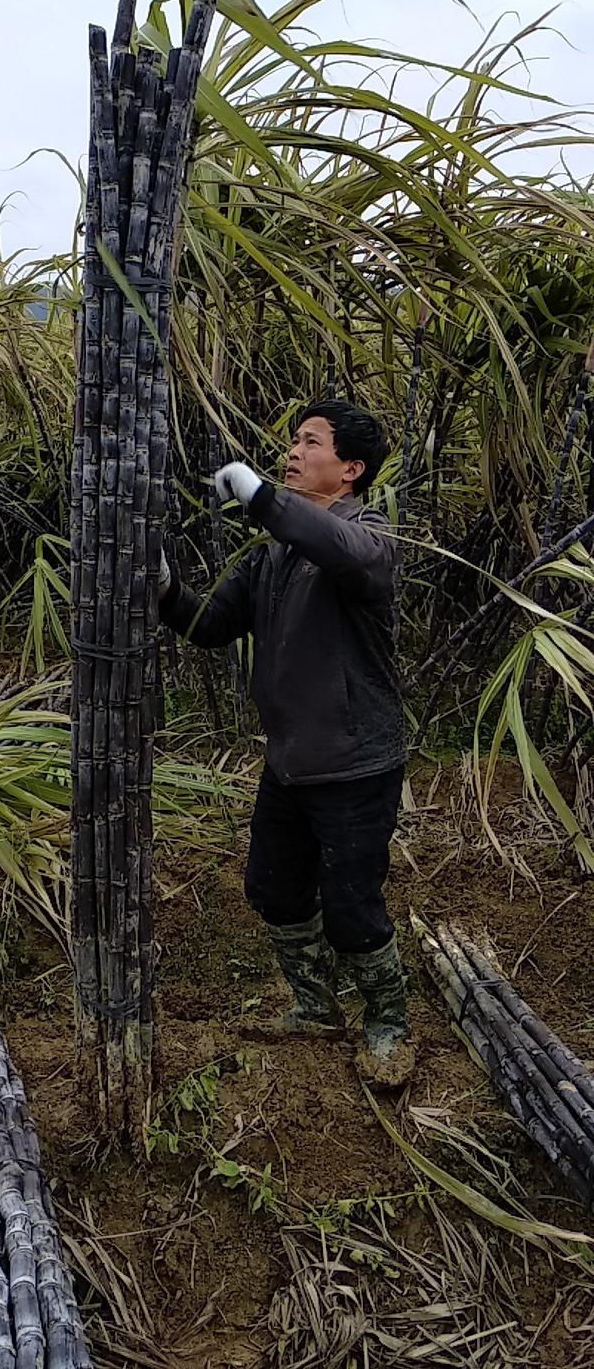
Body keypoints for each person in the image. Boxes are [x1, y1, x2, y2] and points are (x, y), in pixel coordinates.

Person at [158, 399, 413, 1087]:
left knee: (353, 905)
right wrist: (162, 588)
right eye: (292, 441)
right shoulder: (272, 559)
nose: (292, 451)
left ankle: (389, 1023)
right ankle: (314, 1004)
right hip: (290, 762)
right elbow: (210, 626)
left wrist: (263, 498)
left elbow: (342, 552)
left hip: (356, 764)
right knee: (273, 890)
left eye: (310, 442)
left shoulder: (370, 538)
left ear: (352, 469)